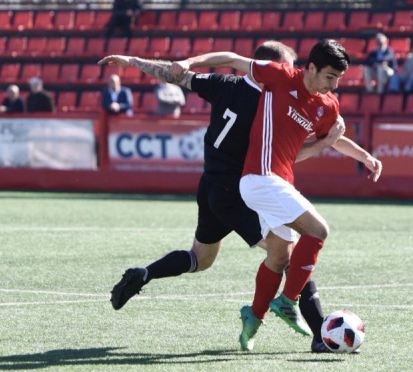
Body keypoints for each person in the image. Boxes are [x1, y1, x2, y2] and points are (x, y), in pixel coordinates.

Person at [99, 41, 346, 353]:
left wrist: (132, 60)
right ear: (268, 67)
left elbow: (176, 74)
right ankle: (319, 333)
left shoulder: (222, 84)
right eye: (287, 64)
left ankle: (145, 273)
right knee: (287, 253)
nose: (291, 71)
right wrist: (328, 142)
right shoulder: (271, 99)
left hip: (210, 187)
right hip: (242, 192)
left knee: (200, 259)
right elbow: (286, 153)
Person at [167, 39, 383, 351]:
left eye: (338, 78)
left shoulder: (327, 105)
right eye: (329, 77)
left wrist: (365, 157)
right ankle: (287, 300)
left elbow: (335, 139)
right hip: (258, 179)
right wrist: (190, 61)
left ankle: (253, 317)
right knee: (319, 230)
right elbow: (232, 58)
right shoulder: (280, 76)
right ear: (310, 68)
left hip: (278, 182)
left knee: (280, 255)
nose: (334, 84)